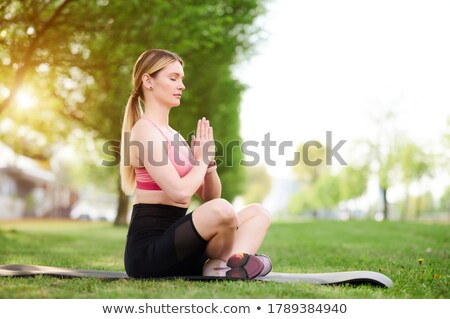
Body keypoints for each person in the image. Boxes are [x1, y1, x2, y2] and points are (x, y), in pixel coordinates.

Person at [120, 49, 272, 279]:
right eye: (173, 78)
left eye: (182, 79)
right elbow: (180, 194)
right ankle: (232, 263)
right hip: (150, 254)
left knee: (258, 213)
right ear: (148, 81)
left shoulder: (175, 136)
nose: (181, 85)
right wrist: (200, 160)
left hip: (184, 243)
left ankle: (220, 265)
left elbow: (210, 197)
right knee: (223, 209)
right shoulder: (144, 130)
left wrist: (208, 163)